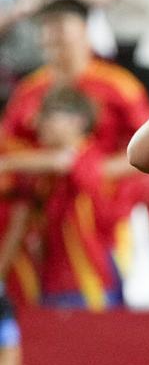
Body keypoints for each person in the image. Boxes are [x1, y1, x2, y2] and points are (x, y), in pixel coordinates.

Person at [1, 0, 149, 305]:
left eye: (60, 26)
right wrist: (55, 165)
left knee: (112, 304)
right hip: (45, 216)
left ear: (84, 31)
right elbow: (9, 148)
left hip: (109, 213)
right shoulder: (29, 91)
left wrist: (95, 169)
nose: (52, 36)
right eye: (46, 28)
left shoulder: (118, 85)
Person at [0, 86, 122, 309]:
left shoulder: (88, 156)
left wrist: (6, 163)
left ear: (76, 121)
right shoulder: (46, 173)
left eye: (47, 115)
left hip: (87, 285)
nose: (36, 123)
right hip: (52, 285)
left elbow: (65, 161)